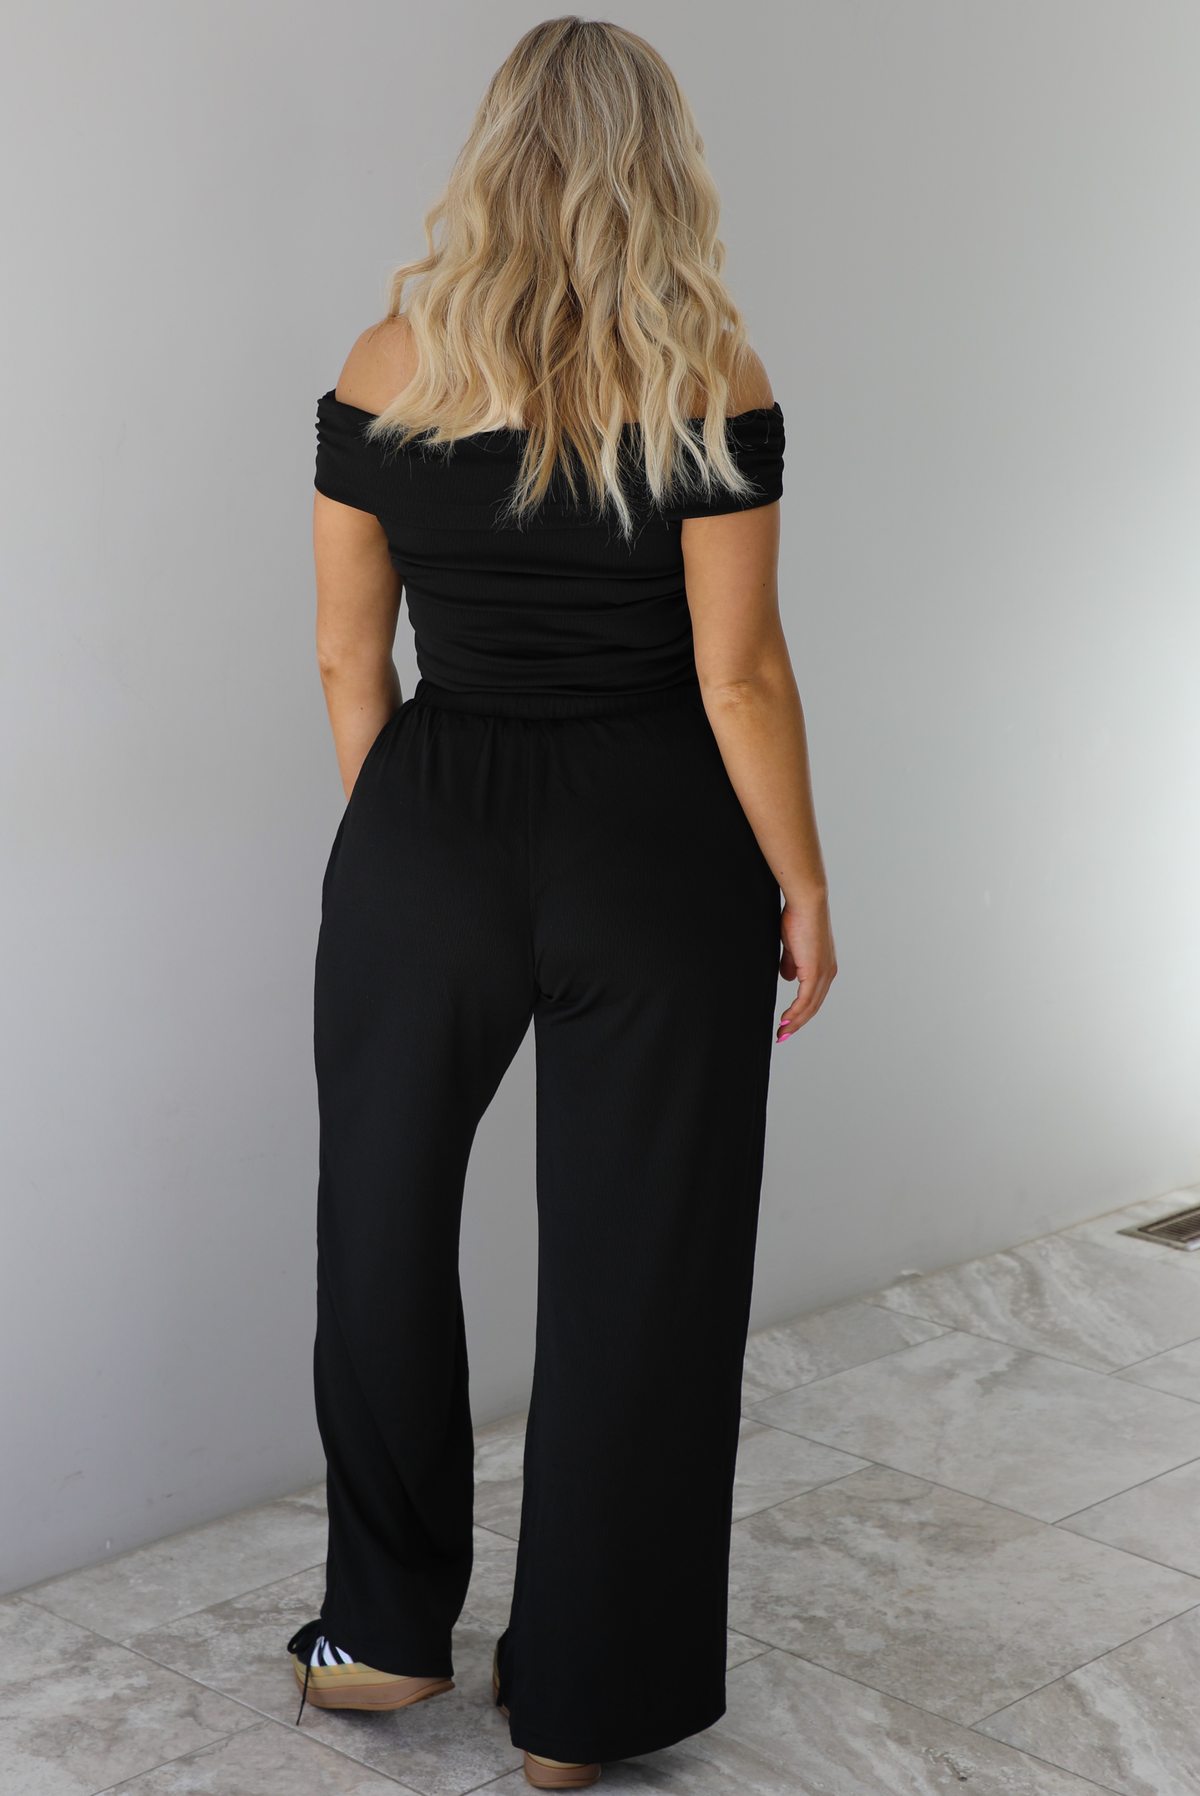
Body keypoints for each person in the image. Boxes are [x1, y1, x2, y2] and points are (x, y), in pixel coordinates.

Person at [285, 16, 836, 1789]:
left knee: (379, 1224)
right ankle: (589, 1703)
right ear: (661, 169)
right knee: (644, 1263)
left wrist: (417, 848)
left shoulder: (389, 362)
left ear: (493, 156)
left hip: (428, 825)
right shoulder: (708, 372)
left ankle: (381, 1634)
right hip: (657, 847)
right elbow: (739, 675)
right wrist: (803, 880)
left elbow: (347, 659)